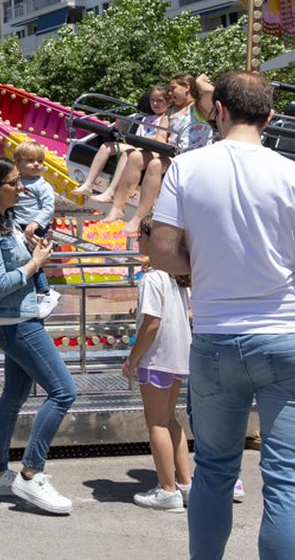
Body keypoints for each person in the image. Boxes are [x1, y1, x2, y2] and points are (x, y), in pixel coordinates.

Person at [148, 71, 295, 560]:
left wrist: (204, 273)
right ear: (271, 117)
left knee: (215, 472)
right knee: (286, 483)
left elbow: (162, 253)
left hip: (216, 338)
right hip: (288, 339)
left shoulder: (186, 169)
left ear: (218, 111)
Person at [0, 156, 77, 515]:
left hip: (22, 317)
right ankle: (31, 472)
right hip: (16, 323)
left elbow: (11, 265)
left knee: (13, 396)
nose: (22, 187)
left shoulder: (5, 220)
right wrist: (36, 264)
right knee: (63, 391)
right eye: (14, 182)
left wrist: (30, 245)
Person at [124, 218, 194, 511]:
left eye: (140, 234)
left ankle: (167, 489)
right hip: (179, 356)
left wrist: (133, 358)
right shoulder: (177, 277)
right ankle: (186, 484)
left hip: (158, 357)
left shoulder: (153, 277)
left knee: (156, 423)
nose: (137, 239)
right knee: (170, 419)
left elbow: (152, 323)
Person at [120, 72, 214, 238]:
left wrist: (198, 81)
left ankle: (138, 217)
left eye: (173, 89)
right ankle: (118, 205)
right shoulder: (169, 113)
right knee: (135, 156)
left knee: (155, 165)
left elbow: (210, 93)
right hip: (173, 155)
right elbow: (161, 137)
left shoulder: (199, 108)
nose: (170, 93)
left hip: (194, 159)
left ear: (187, 88)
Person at [83, 86, 169, 218]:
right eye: (152, 100)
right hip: (137, 145)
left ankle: (112, 191)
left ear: (168, 102)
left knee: (127, 154)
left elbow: (160, 137)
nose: (155, 104)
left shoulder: (166, 119)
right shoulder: (145, 119)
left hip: (149, 149)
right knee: (106, 146)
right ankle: (88, 183)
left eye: (160, 100)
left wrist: (136, 140)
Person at [11, 141, 61, 316]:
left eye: (40, 161)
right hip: (18, 226)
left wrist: (36, 223)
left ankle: (44, 292)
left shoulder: (42, 185)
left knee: (33, 261)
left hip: (34, 227)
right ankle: (31, 292)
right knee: (21, 260)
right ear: (17, 163)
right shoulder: (14, 181)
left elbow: (48, 207)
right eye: (31, 160)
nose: (37, 164)